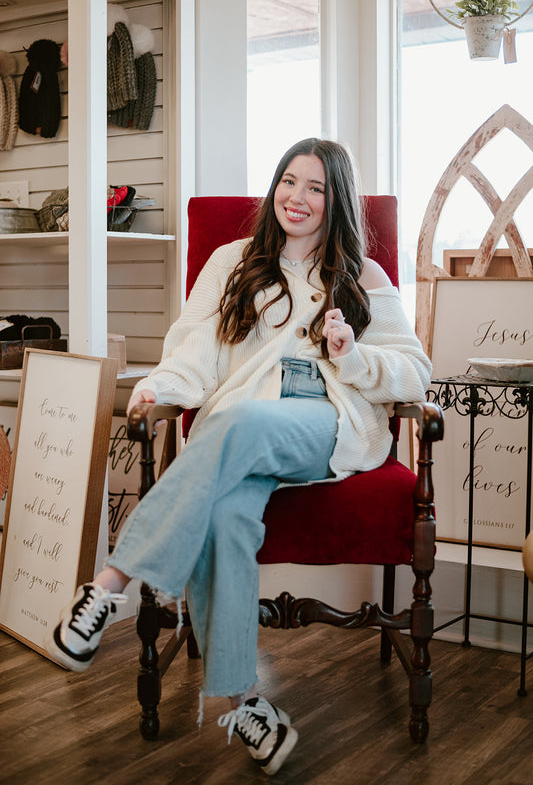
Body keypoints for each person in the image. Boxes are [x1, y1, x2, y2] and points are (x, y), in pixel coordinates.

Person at [45, 138, 432, 776]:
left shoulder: (361, 274)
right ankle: (242, 702)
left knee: (241, 420)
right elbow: (193, 348)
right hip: (238, 423)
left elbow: (414, 372)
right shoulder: (232, 261)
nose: (297, 197)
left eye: (315, 188)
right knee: (226, 515)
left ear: (334, 202)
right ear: (274, 187)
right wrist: (159, 389)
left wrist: (352, 355)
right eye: (289, 181)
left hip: (322, 420)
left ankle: (109, 585)